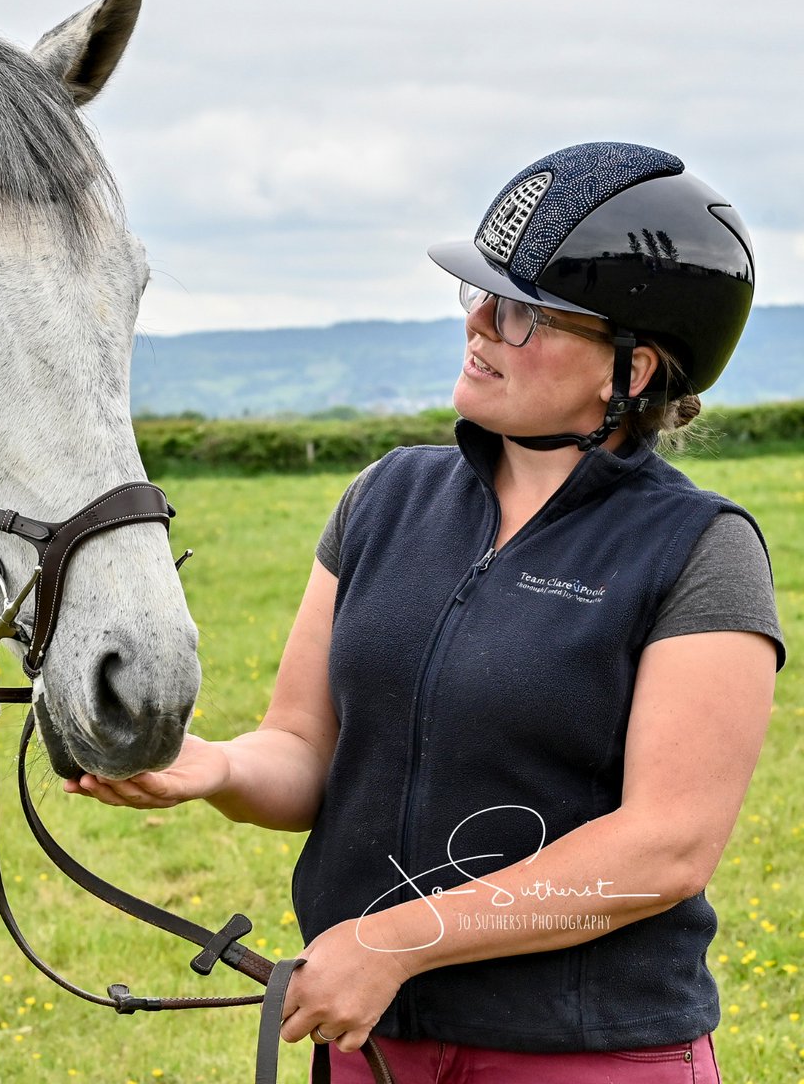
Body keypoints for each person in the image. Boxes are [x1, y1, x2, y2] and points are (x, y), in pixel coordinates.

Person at [65, 142, 785, 1083]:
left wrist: (402, 941)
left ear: (634, 369)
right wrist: (217, 767)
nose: (479, 323)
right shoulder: (387, 498)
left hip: (586, 1057)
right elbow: (305, 749)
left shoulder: (700, 549)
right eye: (478, 294)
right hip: (371, 1043)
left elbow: (668, 847)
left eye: (522, 310)